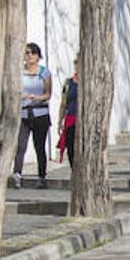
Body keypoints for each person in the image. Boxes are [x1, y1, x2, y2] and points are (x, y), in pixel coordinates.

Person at [14, 42, 53, 188]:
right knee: (21, 146)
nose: (29, 56)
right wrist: (21, 97)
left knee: (39, 146)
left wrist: (37, 98)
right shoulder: (19, 72)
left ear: (38, 56)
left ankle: (42, 177)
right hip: (24, 114)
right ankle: (17, 175)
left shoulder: (44, 73)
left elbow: (48, 94)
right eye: (27, 53)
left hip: (40, 114)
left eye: (32, 53)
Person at [56, 57, 79, 165]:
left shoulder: (90, 82)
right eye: (76, 64)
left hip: (83, 120)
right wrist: (60, 120)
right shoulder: (67, 83)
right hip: (70, 118)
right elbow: (63, 102)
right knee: (70, 147)